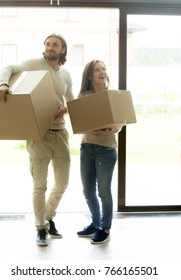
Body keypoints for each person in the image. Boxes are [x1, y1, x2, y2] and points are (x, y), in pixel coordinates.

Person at [0, 34, 74, 246]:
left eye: (55, 45)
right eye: (47, 44)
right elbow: (8, 68)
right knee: (40, 185)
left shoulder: (66, 75)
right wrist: (3, 84)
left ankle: (48, 217)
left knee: (63, 183)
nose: (50, 47)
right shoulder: (34, 64)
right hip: (38, 134)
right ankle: (40, 227)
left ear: (63, 50)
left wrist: (66, 108)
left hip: (61, 134)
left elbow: (72, 102)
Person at [76, 60, 122, 244]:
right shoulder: (84, 96)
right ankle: (95, 223)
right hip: (87, 148)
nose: (102, 72)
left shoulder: (113, 95)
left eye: (103, 69)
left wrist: (114, 129)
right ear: (90, 75)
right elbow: (78, 124)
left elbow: (121, 121)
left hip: (106, 149)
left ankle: (105, 227)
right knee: (88, 191)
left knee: (104, 191)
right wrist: (90, 129)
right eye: (97, 70)